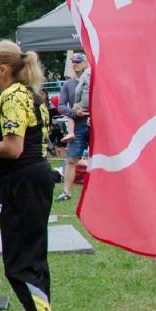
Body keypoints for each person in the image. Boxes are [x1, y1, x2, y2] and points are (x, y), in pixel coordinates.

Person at [0, 39, 78, 311]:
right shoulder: (27, 94)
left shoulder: (12, 98)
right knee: (33, 261)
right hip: (28, 182)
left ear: (3, 70)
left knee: (20, 266)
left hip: (22, 183)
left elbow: (12, 148)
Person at [56, 52, 91, 201]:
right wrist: (74, 112)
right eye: (73, 62)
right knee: (72, 159)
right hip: (77, 124)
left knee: (99, 158)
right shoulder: (68, 85)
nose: (74, 64)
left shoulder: (94, 79)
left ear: (86, 63)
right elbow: (61, 106)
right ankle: (66, 192)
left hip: (95, 123)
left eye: (78, 61)